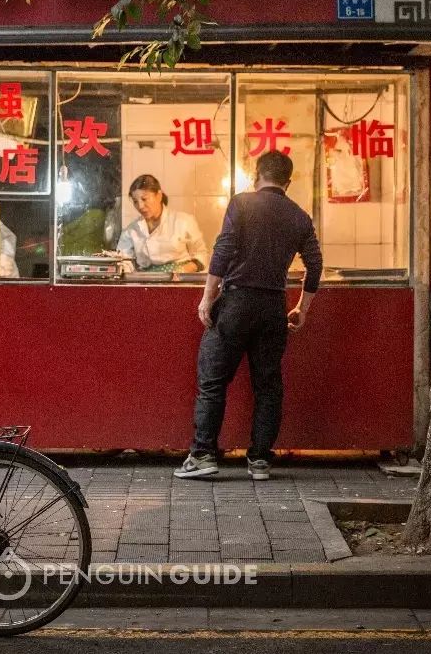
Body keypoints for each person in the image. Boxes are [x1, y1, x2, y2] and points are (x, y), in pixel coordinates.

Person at [174, 151, 322, 481]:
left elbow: (223, 250)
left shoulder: (241, 204)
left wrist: (207, 296)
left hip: (236, 303)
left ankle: (203, 455)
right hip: (272, 307)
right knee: (268, 386)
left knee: (212, 380)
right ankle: (259, 461)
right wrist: (302, 308)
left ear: (256, 174)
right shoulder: (299, 216)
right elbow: (315, 265)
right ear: (288, 181)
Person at [116, 174, 208, 274]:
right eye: (135, 201)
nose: (140, 206)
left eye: (144, 199)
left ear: (159, 195)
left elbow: (201, 254)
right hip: (145, 282)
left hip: (179, 281)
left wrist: (186, 269)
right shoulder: (131, 230)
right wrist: (125, 269)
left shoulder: (183, 221)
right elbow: (123, 261)